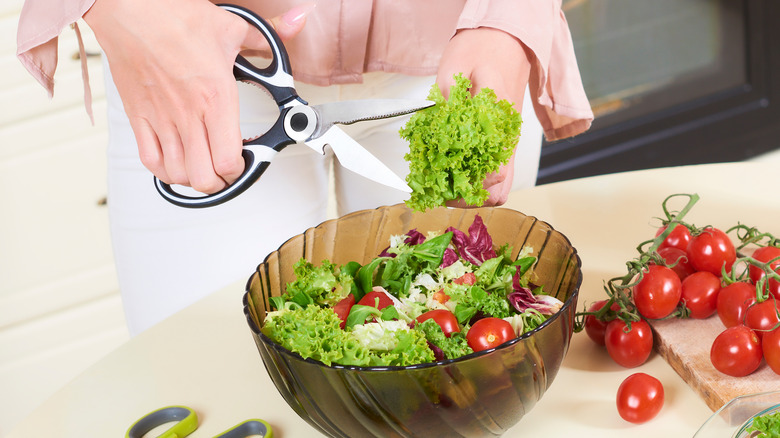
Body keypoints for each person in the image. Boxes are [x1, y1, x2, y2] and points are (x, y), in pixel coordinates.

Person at [17, 0, 593, 335]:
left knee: (461, 380)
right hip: (200, 60)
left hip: (460, 53)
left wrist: (512, 14)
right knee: (209, 370)